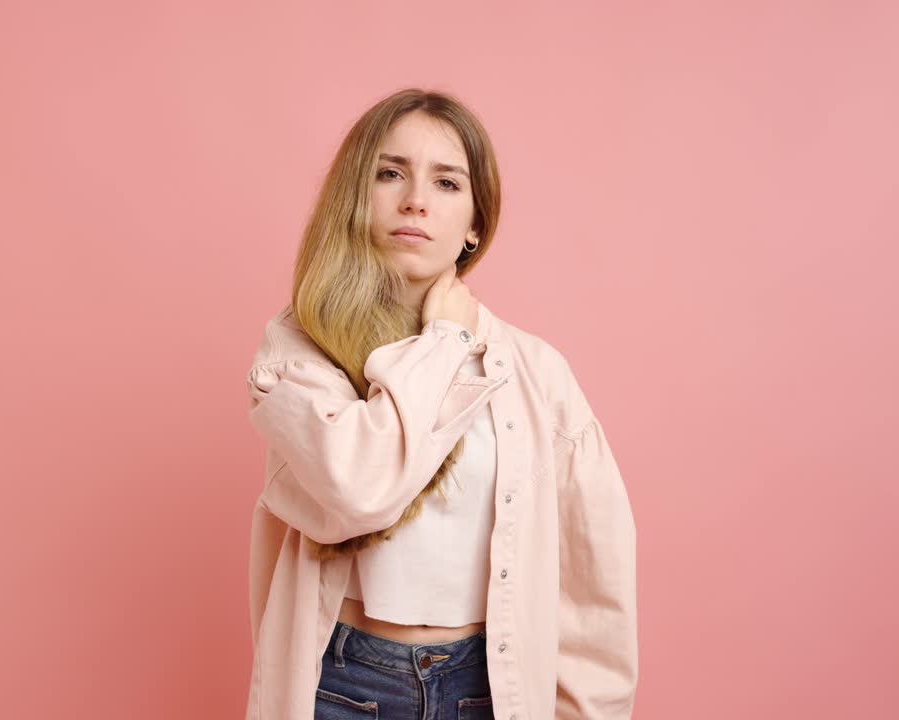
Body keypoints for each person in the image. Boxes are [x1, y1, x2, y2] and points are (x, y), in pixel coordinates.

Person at [244, 88, 637, 720]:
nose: (416, 201)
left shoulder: (536, 372)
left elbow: (596, 585)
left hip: (489, 686)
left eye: (448, 183)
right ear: (356, 196)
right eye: (390, 173)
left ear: (475, 223)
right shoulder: (300, 348)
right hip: (344, 685)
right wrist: (446, 340)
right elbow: (357, 488)